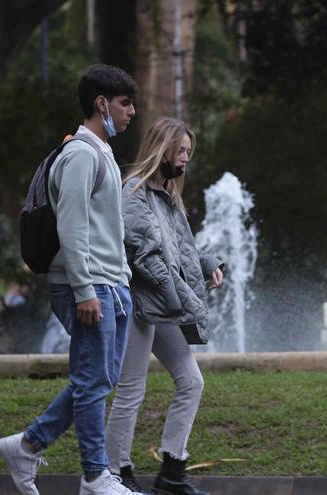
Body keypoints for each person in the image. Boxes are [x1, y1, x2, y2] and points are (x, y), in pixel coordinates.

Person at [0, 64, 142, 495]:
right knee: (93, 380)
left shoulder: (102, 154)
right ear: (102, 103)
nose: (131, 111)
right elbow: (73, 225)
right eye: (124, 103)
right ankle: (96, 475)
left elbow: (106, 227)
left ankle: (27, 446)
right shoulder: (80, 155)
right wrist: (84, 290)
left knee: (97, 380)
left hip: (111, 283)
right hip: (88, 285)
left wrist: (123, 278)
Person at [105, 117, 223, 495]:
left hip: (164, 303)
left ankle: (172, 471)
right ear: (163, 148)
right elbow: (143, 253)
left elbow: (179, 251)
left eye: (189, 151)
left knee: (191, 381)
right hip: (140, 304)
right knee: (131, 391)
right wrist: (174, 289)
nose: (186, 158)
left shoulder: (168, 196)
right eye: (181, 150)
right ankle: (114, 472)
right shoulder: (133, 192)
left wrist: (208, 264)